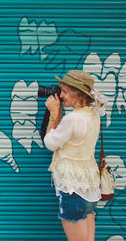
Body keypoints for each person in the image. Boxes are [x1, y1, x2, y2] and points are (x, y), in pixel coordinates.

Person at [44, 69, 107, 241]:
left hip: (73, 191)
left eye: (65, 91)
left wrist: (53, 115)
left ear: (78, 94)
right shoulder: (93, 115)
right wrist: (59, 115)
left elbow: (50, 142)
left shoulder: (73, 119)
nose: (61, 95)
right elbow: (68, 137)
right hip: (88, 190)